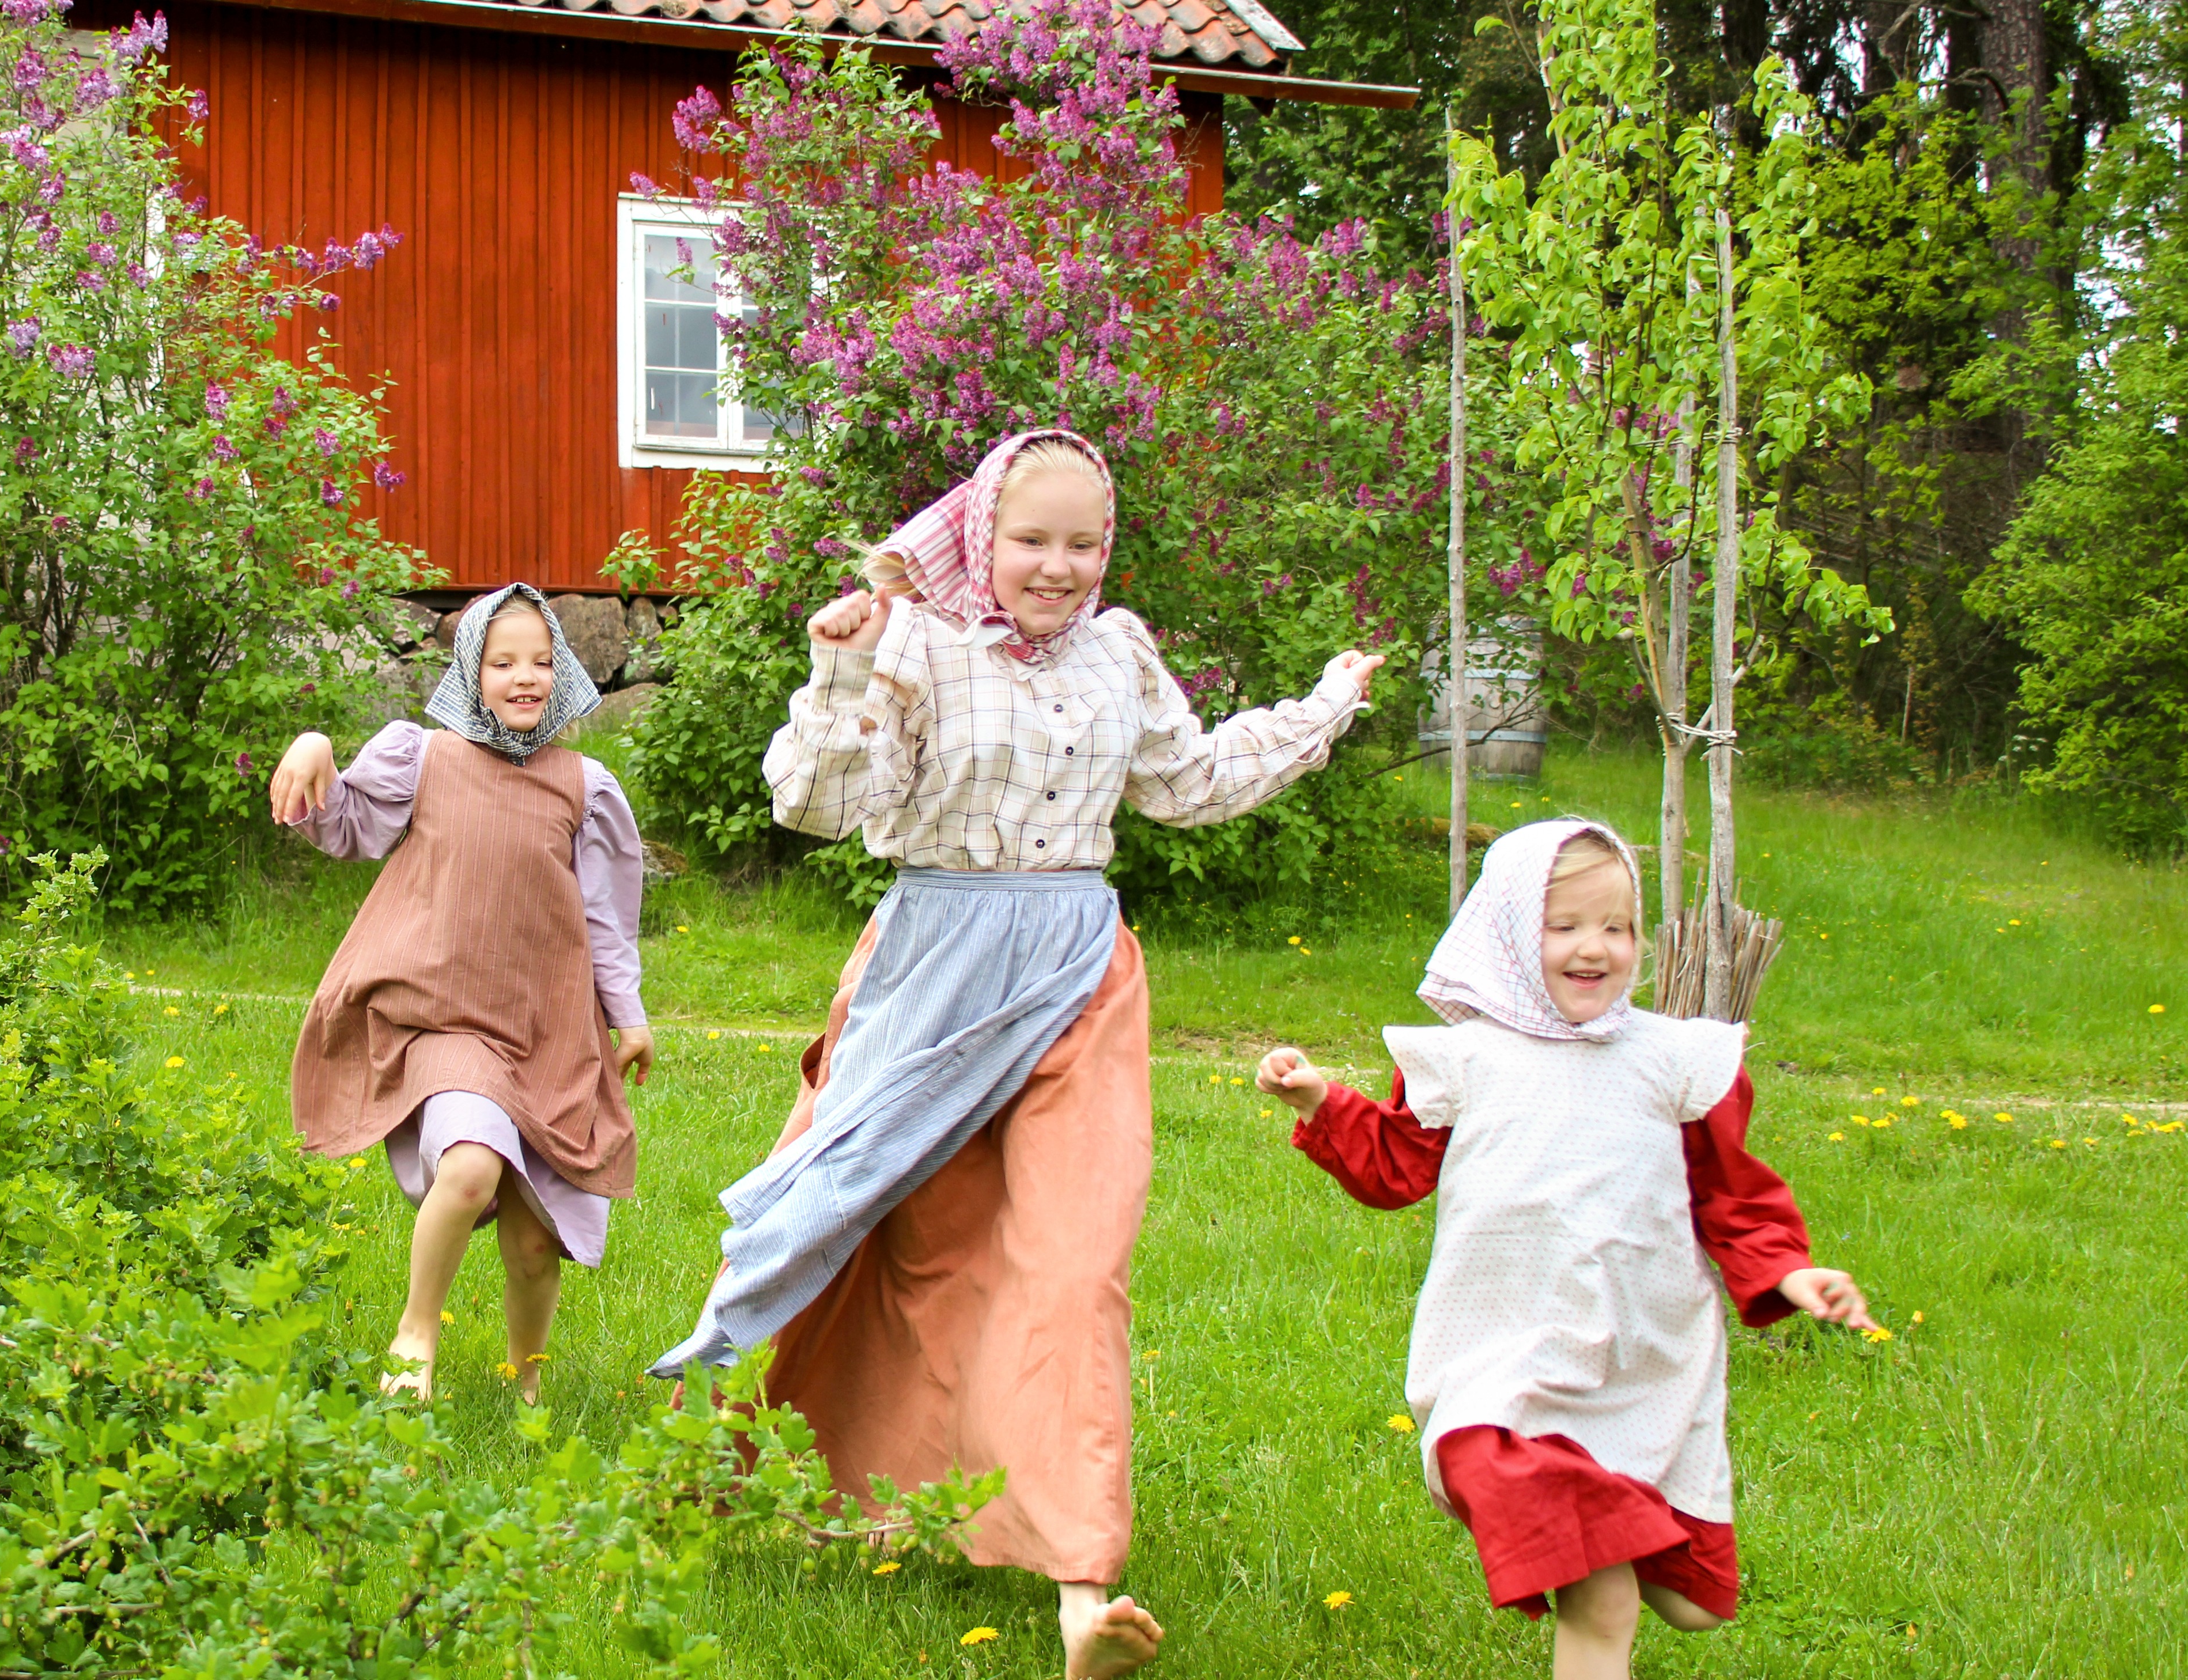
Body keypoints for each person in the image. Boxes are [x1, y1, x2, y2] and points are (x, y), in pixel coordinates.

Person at [650, 430, 1383, 1680]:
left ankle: (1081, 1584)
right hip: (933, 970)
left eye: (1084, 542)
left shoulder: (1122, 649)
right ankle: (703, 1476)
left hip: (1077, 975)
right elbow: (818, 808)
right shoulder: (916, 644)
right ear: (982, 536)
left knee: (1072, 1265)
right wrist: (836, 677)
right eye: (1032, 540)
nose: (1059, 567)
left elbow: (1188, 781)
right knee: (864, 1228)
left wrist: (1327, 706)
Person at [1256, 819, 1877, 1680]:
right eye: (1566, 927)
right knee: (1603, 1592)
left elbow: (1731, 1195)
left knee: (1693, 1605)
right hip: (1505, 1371)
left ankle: (1634, 1533)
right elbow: (1397, 1166)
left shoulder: (1673, 1062)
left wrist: (1791, 1270)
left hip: (1642, 1368)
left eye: (1617, 927)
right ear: (1511, 931)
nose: (1596, 949)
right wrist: (1321, 1101)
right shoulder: (1467, 1058)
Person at [270, 584, 654, 1405]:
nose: (526, 678)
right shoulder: (425, 760)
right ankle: (416, 1332)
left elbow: (607, 921)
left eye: (543, 662)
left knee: (532, 1239)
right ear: (468, 671)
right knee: (473, 1167)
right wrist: (314, 747)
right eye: (503, 662)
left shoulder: (584, 788)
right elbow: (344, 827)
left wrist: (628, 1015)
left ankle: (527, 1379)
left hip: (548, 1031)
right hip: (444, 1022)